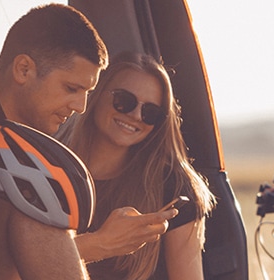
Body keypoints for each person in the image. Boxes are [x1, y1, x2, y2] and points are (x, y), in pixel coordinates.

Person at [0, 4, 177, 279]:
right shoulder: (27, 172)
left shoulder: (16, 153)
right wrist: (99, 244)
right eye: (71, 88)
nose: (80, 106)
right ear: (23, 69)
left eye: (88, 92)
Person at [56, 51, 216, 279]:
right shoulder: (49, 169)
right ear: (96, 94)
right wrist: (98, 244)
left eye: (150, 112)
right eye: (124, 101)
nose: (136, 115)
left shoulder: (172, 185)